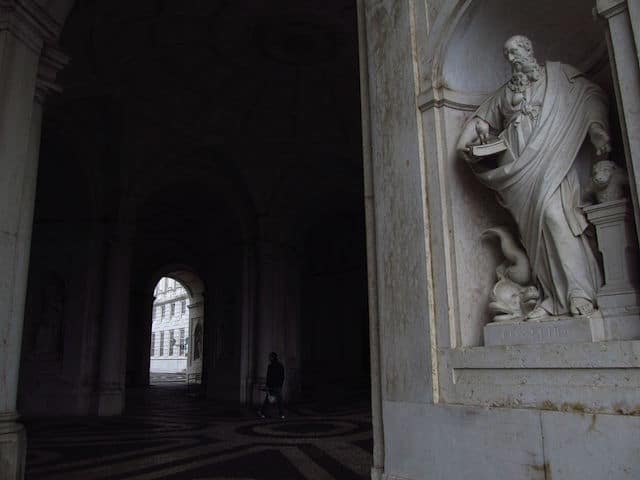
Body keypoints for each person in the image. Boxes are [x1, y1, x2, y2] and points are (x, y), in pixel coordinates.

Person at [457, 35, 611, 319]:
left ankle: (580, 292)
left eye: (515, 52)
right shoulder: (505, 92)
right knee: (533, 235)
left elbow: (589, 96)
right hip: (519, 172)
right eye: (508, 55)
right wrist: (480, 137)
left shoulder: (559, 76)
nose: (512, 59)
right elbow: (479, 125)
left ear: (529, 50)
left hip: (555, 160)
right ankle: (550, 295)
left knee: (555, 217)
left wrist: (596, 128)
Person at [258, 352, 285, 419]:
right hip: (278, 385)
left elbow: (269, 377)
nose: (269, 358)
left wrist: (267, 385)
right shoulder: (280, 365)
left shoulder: (270, 366)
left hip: (272, 386)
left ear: (272, 357)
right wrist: (281, 384)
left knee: (268, 400)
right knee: (279, 401)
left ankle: (262, 412)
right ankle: (282, 415)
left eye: (270, 357)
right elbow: (282, 376)